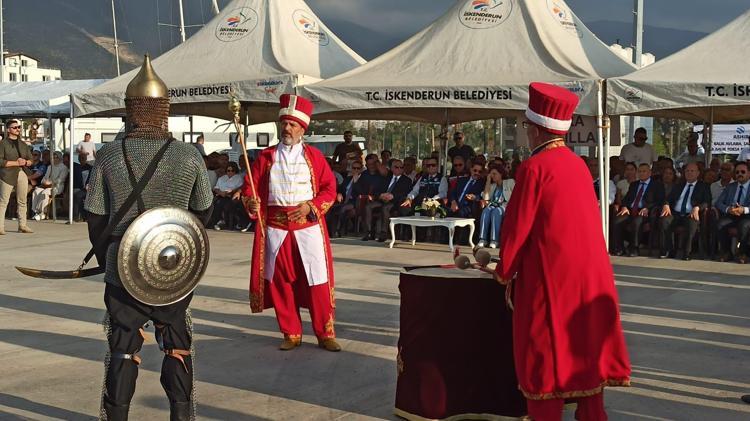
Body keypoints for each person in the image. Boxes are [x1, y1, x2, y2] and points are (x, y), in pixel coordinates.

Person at [84, 56, 213, 420]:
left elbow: (95, 216)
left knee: (123, 348)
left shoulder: (109, 155)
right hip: (173, 266)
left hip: (123, 268)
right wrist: (176, 237)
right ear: (164, 110)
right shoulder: (189, 156)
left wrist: (110, 256)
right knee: (177, 346)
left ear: (131, 110)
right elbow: (203, 212)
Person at [496, 82, 630, 420]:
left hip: (550, 276)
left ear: (536, 128)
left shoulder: (534, 168)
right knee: (586, 348)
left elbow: (517, 228)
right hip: (590, 276)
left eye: (526, 125)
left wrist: (503, 270)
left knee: (544, 353)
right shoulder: (578, 165)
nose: (526, 132)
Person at [243, 94, 341, 352]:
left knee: (317, 279)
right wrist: (251, 202)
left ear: (302, 129)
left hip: (308, 227)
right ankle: (291, 332)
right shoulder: (266, 157)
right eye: (284, 123)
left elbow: (330, 189)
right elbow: (250, 187)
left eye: (292, 124)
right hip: (276, 228)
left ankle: (325, 332)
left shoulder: (315, 157)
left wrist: (311, 206)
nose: (286, 128)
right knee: (281, 281)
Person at [659, 163, 711, 260]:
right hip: (676, 213)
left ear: (698, 173)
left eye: (692, 171)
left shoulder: (703, 186)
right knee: (664, 220)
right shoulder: (678, 185)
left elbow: (707, 202)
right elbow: (668, 198)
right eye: (687, 171)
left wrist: (697, 208)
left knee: (691, 223)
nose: (689, 173)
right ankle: (669, 250)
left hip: (691, 213)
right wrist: (666, 204)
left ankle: (687, 252)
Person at [613, 164, 665, 257]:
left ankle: (634, 248)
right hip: (630, 210)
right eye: (640, 171)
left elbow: (660, 201)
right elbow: (626, 199)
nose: (641, 173)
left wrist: (647, 208)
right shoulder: (634, 184)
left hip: (645, 211)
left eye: (644, 171)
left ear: (650, 173)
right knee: (617, 221)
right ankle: (619, 248)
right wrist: (624, 206)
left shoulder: (657, 185)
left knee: (637, 221)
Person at [361, 159, 412, 242]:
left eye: (401, 167)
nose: (399, 169)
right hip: (382, 200)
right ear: (391, 168)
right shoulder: (385, 178)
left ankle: (383, 233)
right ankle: (369, 233)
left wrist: (393, 196)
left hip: (395, 202)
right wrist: (381, 195)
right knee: (368, 207)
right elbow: (376, 190)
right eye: (396, 167)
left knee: (385, 208)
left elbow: (405, 193)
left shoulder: (407, 180)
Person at [0, 119, 34, 234]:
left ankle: (22, 225)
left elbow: (31, 160)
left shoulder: (23, 144)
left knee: (22, 200)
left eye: (19, 127)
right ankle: (0, 226)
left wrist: (26, 162)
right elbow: (0, 161)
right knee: (3, 201)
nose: (17, 129)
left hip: (22, 172)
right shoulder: (3, 144)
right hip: (7, 174)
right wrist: (16, 163)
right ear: (8, 129)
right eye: (15, 127)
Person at [714, 162, 750, 262]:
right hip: (732, 215)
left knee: (744, 225)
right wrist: (728, 209)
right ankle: (726, 252)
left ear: (749, 173)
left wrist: (744, 210)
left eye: (743, 172)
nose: (740, 174)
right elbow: (718, 202)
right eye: (737, 172)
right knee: (720, 224)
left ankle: (743, 254)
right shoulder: (731, 186)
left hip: (747, 216)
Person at [477, 165, 514, 249]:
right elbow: (486, 198)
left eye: (494, 174)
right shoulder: (492, 186)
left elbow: (516, 194)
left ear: (501, 174)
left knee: (496, 211)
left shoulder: (509, 182)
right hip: (493, 206)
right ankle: (483, 239)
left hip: (505, 206)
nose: (492, 176)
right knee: (486, 210)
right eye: (491, 174)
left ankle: (494, 240)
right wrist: (488, 181)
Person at [31, 151, 69, 220]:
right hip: (46, 185)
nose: (54, 159)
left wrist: (50, 182)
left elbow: (61, 179)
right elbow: (45, 177)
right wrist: (44, 182)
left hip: (57, 187)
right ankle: (36, 211)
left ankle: (43, 212)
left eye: (56, 157)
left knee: (45, 192)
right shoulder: (50, 167)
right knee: (36, 191)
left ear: (60, 158)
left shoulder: (64, 168)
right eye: (53, 157)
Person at [211, 161, 244, 231]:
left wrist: (231, 191)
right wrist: (220, 192)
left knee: (225, 204)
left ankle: (225, 222)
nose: (230, 172)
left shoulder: (238, 178)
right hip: (221, 195)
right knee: (216, 204)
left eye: (232, 170)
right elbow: (216, 188)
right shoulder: (222, 178)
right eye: (228, 170)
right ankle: (216, 222)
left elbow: (240, 187)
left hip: (231, 196)